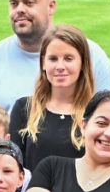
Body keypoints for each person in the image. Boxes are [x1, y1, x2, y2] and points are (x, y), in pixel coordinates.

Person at [9, 24, 97, 176]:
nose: (60, 66)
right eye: (53, 59)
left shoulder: (96, 112)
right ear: (43, 63)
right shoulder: (24, 108)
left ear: (82, 63)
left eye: (68, 59)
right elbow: (14, 167)